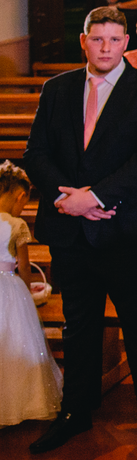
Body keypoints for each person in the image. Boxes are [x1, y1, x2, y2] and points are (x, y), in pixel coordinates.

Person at [24, 7, 137, 457]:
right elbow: (36, 152)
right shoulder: (58, 89)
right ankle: (75, 411)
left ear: (126, 41)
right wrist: (64, 199)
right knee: (78, 325)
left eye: (114, 39)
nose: (106, 48)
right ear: (85, 41)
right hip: (70, 230)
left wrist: (96, 198)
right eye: (98, 39)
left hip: (125, 228)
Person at [0, 162, 63, 428]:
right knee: (18, 344)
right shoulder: (16, 224)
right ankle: (22, 403)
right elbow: (24, 266)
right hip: (10, 290)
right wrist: (26, 292)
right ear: (20, 196)